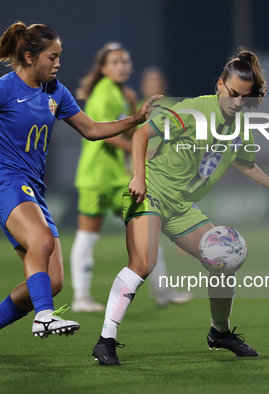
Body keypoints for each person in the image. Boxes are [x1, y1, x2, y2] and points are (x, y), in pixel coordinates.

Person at [0, 22, 159, 367]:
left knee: (55, 281)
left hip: (32, 189)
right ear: (30, 57)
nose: (58, 63)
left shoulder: (55, 91)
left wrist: (134, 119)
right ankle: (44, 316)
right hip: (3, 181)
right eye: (53, 56)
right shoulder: (3, 88)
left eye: (59, 56)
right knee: (42, 243)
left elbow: (91, 130)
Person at [92, 50, 269, 365]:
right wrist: (138, 176)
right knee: (143, 264)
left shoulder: (240, 126)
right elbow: (140, 134)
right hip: (151, 193)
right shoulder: (191, 111)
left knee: (225, 260)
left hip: (181, 208)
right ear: (220, 85)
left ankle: (219, 332)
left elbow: (244, 163)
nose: (236, 102)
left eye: (243, 98)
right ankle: (105, 339)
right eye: (232, 93)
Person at [71, 43, 189, 312]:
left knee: (149, 225)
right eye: (114, 62)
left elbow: (125, 129)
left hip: (116, 176)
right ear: (103, 68)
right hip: (97, 176)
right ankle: (80, 297)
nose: (122, 66)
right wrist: (142, 151)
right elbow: (104, 134)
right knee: (88, 236)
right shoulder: (103, 94)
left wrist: (134, 110)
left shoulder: (121, 94)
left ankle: (162, 291)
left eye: (125, 61)